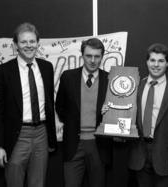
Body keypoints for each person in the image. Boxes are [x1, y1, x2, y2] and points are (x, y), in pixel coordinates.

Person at [0, 22, 57, 187]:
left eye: (32, 41)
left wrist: (51, 138)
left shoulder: (47, 68)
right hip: (17, 135)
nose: (28, 46)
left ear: (37, 43)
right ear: (15, 45)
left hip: (41, 134)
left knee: (38, 184)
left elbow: (48, 103)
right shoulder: (2, 72)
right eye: (24, 42)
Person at [128, 43, 168, 187]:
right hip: (139, 156)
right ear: (147, 62)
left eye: (161, 61)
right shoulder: (134, 87)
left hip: (166, 158)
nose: (156, 65)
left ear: (167, 63)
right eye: (152, 60)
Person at [55, 38, 112, 187]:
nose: (93, 60)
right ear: (82, 55)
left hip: (99, 145)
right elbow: (59, 106)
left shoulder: (110, 79)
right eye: (88, 56)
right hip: (74, 144)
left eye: (97, 56)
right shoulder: (68, 77)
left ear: (102, 57)